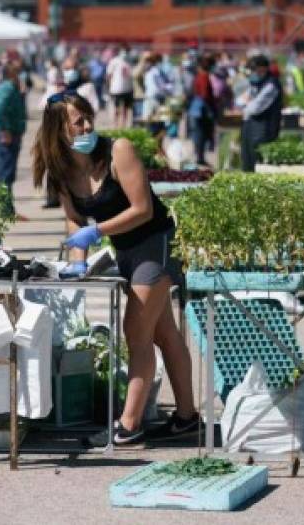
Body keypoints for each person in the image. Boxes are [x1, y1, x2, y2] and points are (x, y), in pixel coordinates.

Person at [32, 93, 198, 446]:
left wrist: (98, 231)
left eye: (88, 117)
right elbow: (73, 221)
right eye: (78, 121)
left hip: (157, 243)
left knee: (135, 331)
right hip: (123, 251)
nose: (88, 125)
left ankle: (129, 424)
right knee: (163, 332)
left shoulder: (117, 150)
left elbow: (143, 209)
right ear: (58, 131)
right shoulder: (60, 169)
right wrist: (77, 262)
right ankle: (187, 418)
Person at [0, 60, 26, 215]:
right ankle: (5, 208)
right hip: (8, 134)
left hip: (13, 132)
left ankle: (7, 207)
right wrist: (4, 129)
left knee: (8, 172)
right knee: (5, 172)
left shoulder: (12, 87)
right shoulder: (7, 88)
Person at [240, 54, 283, 172]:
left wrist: (247, 103)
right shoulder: (256, 84)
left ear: (262, 69)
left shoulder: (271, 85)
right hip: (250, 128)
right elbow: (239, 101)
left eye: (253, 70)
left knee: (258, 165)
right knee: (247, 164)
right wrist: (246, 103)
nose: (252, 73)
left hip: (263, 130)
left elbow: (254, 108)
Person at [188, 52, 217, 167]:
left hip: (197, 109)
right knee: (201, 134)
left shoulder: (199, 76)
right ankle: (200, 157)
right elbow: (205, 94)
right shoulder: (204, 76)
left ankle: (199, 156)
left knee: (198, 133)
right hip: (201, 110)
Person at [106, 45, 133, 128]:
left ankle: (123, 125)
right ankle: (115, 124)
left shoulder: (129, 61)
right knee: (116, 108)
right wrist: (109, 87)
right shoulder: (114, 61)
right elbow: (109, 75)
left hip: (127, 88)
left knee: (126, 109)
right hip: (116, 89)